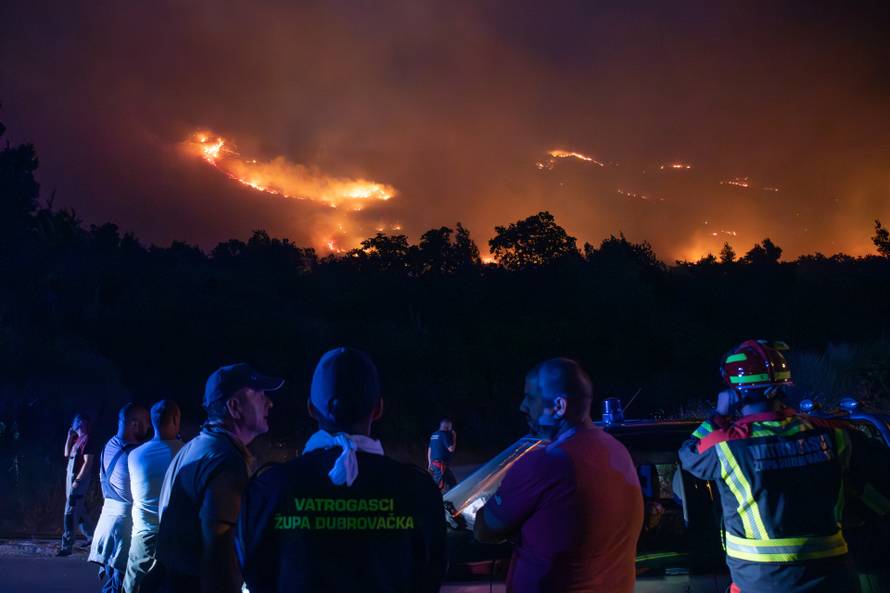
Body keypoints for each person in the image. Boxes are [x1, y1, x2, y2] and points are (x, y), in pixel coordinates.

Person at [679, 339, 890, 593]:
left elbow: (688, 452)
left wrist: (718, 415)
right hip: (834, 581)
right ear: (784, 385)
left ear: (735, 393)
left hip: (763, 584)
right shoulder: (833, 435)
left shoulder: (727, 446)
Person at [237, 347, 447, 593]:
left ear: (311, 409)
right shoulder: (419, 490)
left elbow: (255, 575)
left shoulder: (268, 488)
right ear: (378, 409)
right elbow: (430, 577)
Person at [474, 358, 643, 593]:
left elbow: (484, 528)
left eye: (531, 398)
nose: (523, 406)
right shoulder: (617, 451)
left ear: (559, 407)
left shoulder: (545, 463)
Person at [156, 363, 282, 593]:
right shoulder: (226, 460)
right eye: (261, 395)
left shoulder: (193, 448)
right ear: (234, 407)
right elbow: (219, 558)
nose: (270, 402)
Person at [123, 400, 183, 593]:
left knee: (133, 585)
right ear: (175, 419)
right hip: (175, 536)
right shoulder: (186, 452)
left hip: (143, 533)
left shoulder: (134, 455)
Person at [89, 403, 151, 593]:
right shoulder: (135, 455)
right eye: (146, 423)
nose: (149, 427)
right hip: (124, 530)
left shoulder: (109, 445)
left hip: (106, 525)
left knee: (113, 584)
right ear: (133, 424)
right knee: (122, 585)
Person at [58, 412, 97, 556]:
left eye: (75, 421)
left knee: (70, 512)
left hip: (78, 480)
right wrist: (69, 437)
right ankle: (93, 537)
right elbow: (66, 454)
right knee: (79, 510)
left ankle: (66, 546)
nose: (73, 424)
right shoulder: (78, 440)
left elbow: (88, 463)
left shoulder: (87, 440)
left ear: (80, 422)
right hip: (71, 478)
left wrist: (77, 481)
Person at [428, 418, 457, 492]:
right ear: (447, 426)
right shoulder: (444, 435)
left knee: (452, 484)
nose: (451, 428)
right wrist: (454, 437)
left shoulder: (434, 434)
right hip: (440, 466)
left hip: (436, 465)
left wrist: (429, 463)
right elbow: (451, 449)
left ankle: (451, 500)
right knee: (437, 487)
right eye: (450, 426)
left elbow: (430, 450)